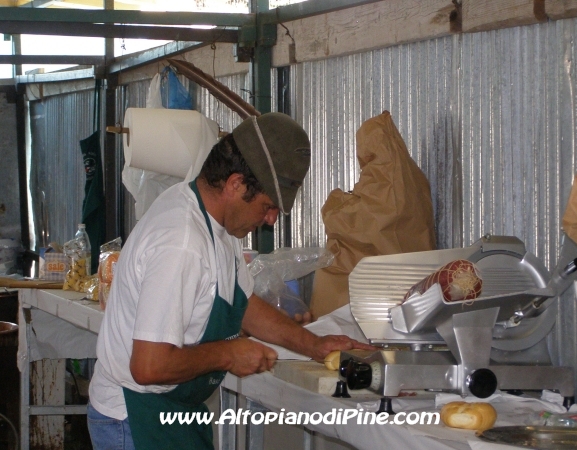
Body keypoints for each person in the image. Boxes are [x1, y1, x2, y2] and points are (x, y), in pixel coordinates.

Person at [87, 112, 373, 450]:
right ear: (235, 184)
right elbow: (149, 366)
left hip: (172, 410)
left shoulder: (217, 226)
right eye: (268, 206)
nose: (269, 220)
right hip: (133, 419)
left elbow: (244, 305)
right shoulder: (182, 244)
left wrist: (313, 345)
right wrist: (227, 354)